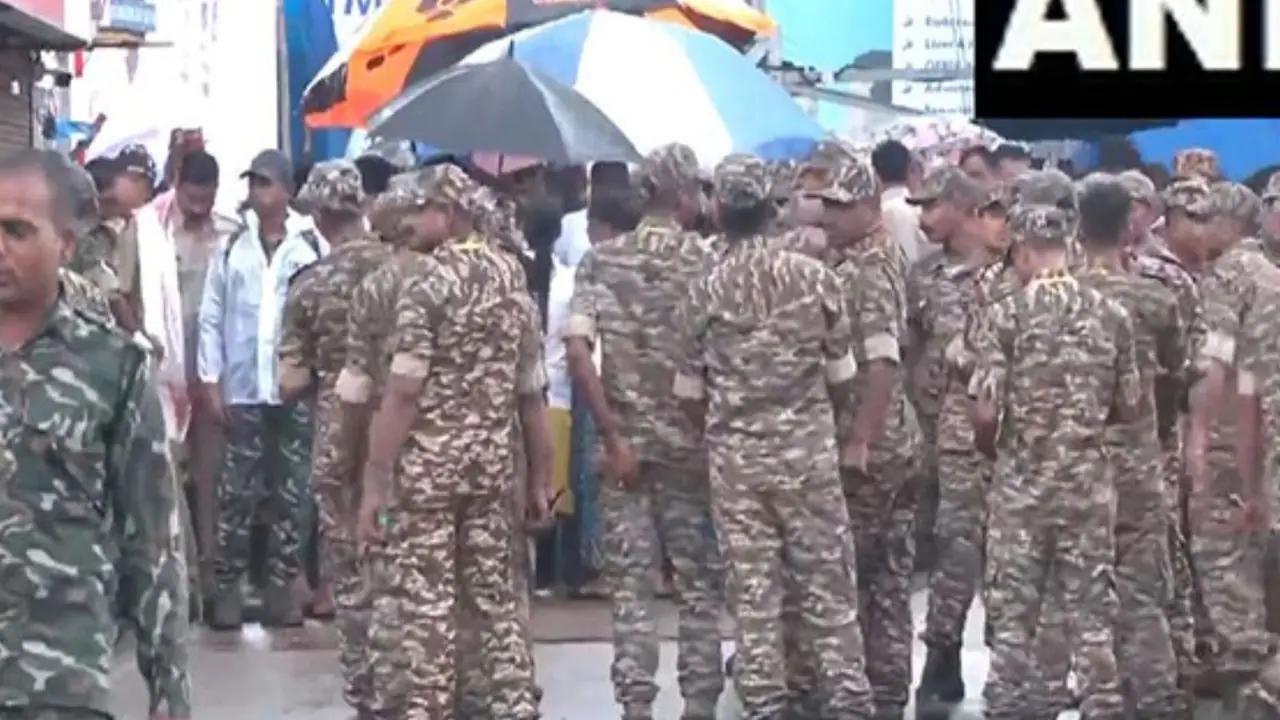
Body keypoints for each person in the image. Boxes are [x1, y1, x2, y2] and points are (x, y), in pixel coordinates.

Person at [675, 153, 873, 719]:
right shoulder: (816, 279)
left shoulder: (704, 290)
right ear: (773, 208)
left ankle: (764, 707)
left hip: (737, 465)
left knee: (755, 603)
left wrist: (724, 427)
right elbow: (844, 380)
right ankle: (849, 705)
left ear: (717, 210)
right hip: (808, 456)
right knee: (830, 597)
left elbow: (688, 393)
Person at [0, 148, 190, 718]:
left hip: (58, 678)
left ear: (64, 242)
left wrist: (170, 690)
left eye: (16, 231)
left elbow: (152, 539)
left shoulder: (112, 365)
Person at [354, 164, 548, 719]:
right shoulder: (513, 278)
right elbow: (530, 393)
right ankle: (514, 704)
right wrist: (539, 479)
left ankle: (431, 708)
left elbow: (404, 391)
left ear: (451, 213)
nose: (411, 223)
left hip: (428, 475)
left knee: (429, 603)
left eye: (421, 211)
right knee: (497, 602)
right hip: (491, 469)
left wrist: (375, 479)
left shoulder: (429, 284)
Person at [564, 143, 725, 720]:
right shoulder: (709, 263)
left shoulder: (602, 261)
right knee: (698, 586)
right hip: (692, 450)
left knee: (631, 591)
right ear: (685, 196)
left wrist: (611, 435)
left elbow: (579, 351)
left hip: (624, 452)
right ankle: (700, 703)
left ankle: (636, 705)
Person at [970, 203, 1138, 720]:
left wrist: (995, 449)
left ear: (1022, 251)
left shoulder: (1005, 314)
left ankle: (1007, 708)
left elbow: (984, 409)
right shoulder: (1112, 315)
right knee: (1091, 617)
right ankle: (1102, 706)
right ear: (1071, 248)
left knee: (1014, 616)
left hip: (1022, 488)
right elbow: (1129, 405)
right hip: (1087, 489)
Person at [277, 159, 392, 715]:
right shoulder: (405, 272)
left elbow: (289, 382)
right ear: (364, 207)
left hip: (340, 445)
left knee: (350, 579)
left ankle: (367, 697)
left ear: (321, 216)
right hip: (405, 443)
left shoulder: (309, 287)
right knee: (407, 569)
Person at [808, 152, 920, 717]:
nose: (829, 217)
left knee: (855, 575)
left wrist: (861, 439)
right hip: (895, 438)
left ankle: (858, 694)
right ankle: (888, 690)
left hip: (871, 445)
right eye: (826, 207)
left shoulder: (870, 270)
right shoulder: (869, 258)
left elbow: (883, 362)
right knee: (888, 579)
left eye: (841, 208)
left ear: (871, 208)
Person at [198, 148, 328, 628]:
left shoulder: (310, 246)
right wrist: (211, 382)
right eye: (253, 183)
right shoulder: (233, 248)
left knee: (293, 494)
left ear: (287, 191)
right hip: (244, 389)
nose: (257, 192)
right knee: (237, 494)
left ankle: (282, 590)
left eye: (266, 183)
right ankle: (228, 591)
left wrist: (319, 379)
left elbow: (325, 319)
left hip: (293, 391)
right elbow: (213, 316)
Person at [1074, 176, 1188, 717]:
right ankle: (1157, 696)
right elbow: (1176, 377)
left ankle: (1101, 699)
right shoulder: (1156, 298)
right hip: (1138, 459)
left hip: (1075, 463)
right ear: (1128, 226)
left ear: (1076, 225)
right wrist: (1157, 434)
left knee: (1084, 591)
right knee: (1143, 587)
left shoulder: (1052, 296)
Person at [909, 170, 1008, 712]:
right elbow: (913, 351)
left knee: (1007, 552)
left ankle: (1008, 661)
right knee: (956, 547)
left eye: (932, 207)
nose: (924, 219)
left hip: (1008, 431)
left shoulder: (1010, 275)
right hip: (949, 432)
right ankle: (942, 656)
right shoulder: (925, 275)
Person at [1182, 181, 1280, 702]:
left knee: (1221, 546)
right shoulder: (1270, 275)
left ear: (1229, 224)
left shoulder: (1227, 277)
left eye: (1205, 220)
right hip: (1269, 427)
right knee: (1262, 542)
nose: (1198, 231)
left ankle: (1247, 663)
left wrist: (1197, 438)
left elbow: (1217, 362)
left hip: (1234, 428)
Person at [871, 139, 927, 263]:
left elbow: (906, 262)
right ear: (909, 169)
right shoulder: (921, 206)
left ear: (874, 174)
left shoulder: (889, 211)